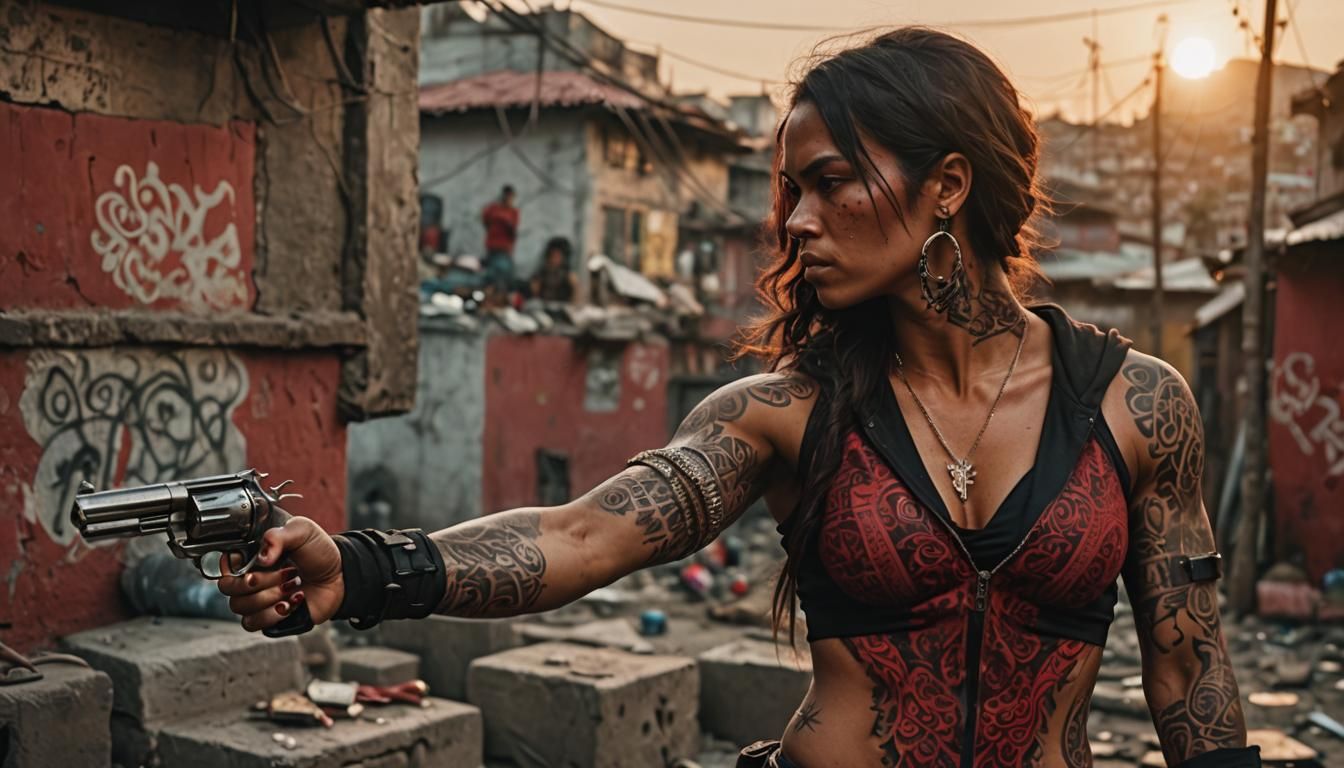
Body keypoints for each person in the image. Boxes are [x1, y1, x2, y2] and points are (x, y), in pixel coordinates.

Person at [219, 28, 1259, 768]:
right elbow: (583, 537)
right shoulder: (786, 411)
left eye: (831, 181)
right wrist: (364, 569)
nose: (795, 221)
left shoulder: (1137, 405)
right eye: (791, 191)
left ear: (948, 185)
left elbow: (1189, 670)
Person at [481, 184, 519, 298]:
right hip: (492, 247)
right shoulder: (493, 208)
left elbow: (513, 230)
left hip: (504, 249)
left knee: (503, 274)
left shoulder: (513, 212)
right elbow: (485, 220)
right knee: (491, 275)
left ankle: (501, 297)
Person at [529, 237, 577, 303]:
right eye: (553, 256)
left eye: (558, 256)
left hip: (562, 305)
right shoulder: (542, 273)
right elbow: (534, 294)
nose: (554, 260)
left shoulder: (569, 276)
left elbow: (575, 299)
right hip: (543, 305)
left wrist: (574, 287)